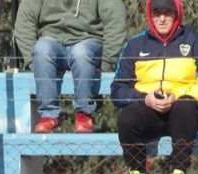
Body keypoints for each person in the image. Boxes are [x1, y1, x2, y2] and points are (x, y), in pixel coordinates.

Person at [111, 0, 198, 174]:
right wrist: (145, 98)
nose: (162, 18)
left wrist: (177, 96)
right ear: (150, 14)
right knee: (127, 117)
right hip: (149, 112)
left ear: (177, 13)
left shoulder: (197, 42)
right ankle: (137, 172)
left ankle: (178, 172)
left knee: (185, 105)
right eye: (157, 12)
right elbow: (117, 90)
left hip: (184, 116)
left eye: (167, 12)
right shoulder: (135, 45)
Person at [14, 0, 127, 134]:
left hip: (88, 41)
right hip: (51, 42)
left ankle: (83, 114)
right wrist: (35, 63)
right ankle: (48, 115)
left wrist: (105, 63)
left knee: (81, 52)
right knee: (42, 49)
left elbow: (116, 22)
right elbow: (24, 23)